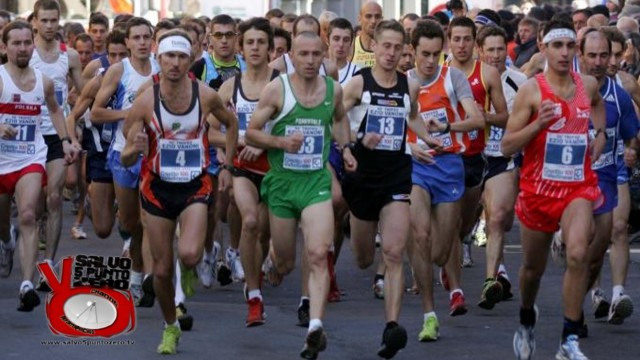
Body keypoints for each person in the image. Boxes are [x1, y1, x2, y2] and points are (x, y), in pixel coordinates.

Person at [121, 29, 238, 354]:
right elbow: (126, 153)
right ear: (159, 59)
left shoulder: (205, 95)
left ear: (191, 60)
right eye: (168, 57)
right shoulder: (147, 100)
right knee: (159, 270)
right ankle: (171, 325)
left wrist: (227, 166)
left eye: (181, 57)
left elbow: (231, 124)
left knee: (189, 253)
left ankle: (187, 275)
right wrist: (137, 146)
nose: (174, 63)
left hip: (194, 185)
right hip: (157, 189)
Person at [501, 19, 607, 360]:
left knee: (578, 253)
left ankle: (569, 339)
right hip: (538, 191)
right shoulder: (532, 91)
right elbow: (506, 146)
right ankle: (526, 317)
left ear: (575, 51)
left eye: (568, 47)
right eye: (556, 46)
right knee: (533, 269)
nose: (563, 53)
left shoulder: (587, 84)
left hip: (578, 187)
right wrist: (539, 124)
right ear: (544, 49)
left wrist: (600, 134)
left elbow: (598, 107)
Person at [246, 31, 355, 359]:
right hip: (281, 184)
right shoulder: (277, 89)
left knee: (319, 252)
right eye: (303, 54)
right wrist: (281, 143)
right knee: (287, 262)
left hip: (315, 183)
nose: (309, 61)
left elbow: (339, 120)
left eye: (315, 55)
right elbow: (251, 131)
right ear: (291, 56)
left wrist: (346, 148)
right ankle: (273, 260)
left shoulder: (334, 90)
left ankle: (315, 326)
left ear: (324, 57)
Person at [342, 19, 440, 359]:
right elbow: (332, 116)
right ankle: (351, 224)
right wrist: (355, 141)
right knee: (363, 258)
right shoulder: (358, 84)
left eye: (398, 48)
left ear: (405, 51)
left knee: (395, 252)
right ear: (376, 47)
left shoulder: (407, 85)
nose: (391, 53)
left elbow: (411, 116)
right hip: (361, 177)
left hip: (397, 174)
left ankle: (392, 327)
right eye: (386, 46)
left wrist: (427, 135)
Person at [405, 19, 485, 342]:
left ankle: (437, 270)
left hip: (450, 164)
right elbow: (391, 126)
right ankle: (429, 314)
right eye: (424, 53)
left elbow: (477, 119)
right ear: (412, 51)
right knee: (421, 236)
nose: (429, 61)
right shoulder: (402, 82)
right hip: (415, 167)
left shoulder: (453, 78)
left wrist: (448, 128)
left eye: (436, 54)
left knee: (439, 251)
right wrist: (411, 147)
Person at [0, 20, 77, 311]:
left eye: (26, 43)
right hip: (1, 160)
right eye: (16, 43)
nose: (22, 48)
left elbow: (56, 110)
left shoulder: (43, 81)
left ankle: (27, 284)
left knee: (30, 214)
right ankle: (6, 240)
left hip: (30, 157)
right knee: (3, 222)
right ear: (4, 47)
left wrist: (66, 139)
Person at [442, 16, 508, 316]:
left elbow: (504, 116)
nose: (461, 45)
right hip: (446, 157)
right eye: (456, 39)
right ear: (449, 41)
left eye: (467, 39)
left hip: (475, 157)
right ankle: (457, 291)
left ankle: (451, 259)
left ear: (475, 43)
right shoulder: (438, 71)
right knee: (452, 224)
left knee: (464, 226)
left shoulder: (488, 74)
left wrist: (482, 117)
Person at [91, 17, 158, 306]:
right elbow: (95, 113)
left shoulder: (163, 68)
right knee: (131, 221)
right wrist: (131, 114)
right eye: (137, 38)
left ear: (152, 40)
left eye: (147, 37)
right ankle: (139, 267)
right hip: (122, 152)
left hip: (155, 155)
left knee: (150, 217)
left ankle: (143, 276)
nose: (142, 42)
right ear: (127, 42)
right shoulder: (119, 71)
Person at [215, 17, 278, 327]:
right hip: (242, 168)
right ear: (242, 47)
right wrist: (236, 141)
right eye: (250, 42)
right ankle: (254, 297)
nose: (255, 48)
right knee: (250, 222)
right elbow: (212, 130)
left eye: (261, 42)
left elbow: (296, 129)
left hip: (277, 170)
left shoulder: (282, 84)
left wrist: (264, 144)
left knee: (266, 235)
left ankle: (259, 272)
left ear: (271, 48)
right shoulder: (230, 87)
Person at [579, 29, 638, 328]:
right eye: (593, 56)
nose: (600, 62)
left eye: (605, 55)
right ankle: (595, 291)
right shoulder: (569, 91)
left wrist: (631, 151)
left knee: (617, 228)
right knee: (589, 239)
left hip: (612, 171)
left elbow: (632, 137)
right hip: (577, 177)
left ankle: (617, 295)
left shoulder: (620, 95)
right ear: (581, 56)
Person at [29, 0, 84, 291]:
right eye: (45, 21)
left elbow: (84, 92)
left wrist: (72, 122)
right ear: (35, 22)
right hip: (28, 136)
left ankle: (48, 265)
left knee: (54, 199)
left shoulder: (69, 56)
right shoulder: (25, 53)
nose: (50, 26)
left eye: (54, 20)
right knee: (33, 207)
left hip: (56, 136)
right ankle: (15, 240)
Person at [476, 25, 528, 310]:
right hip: (470, 159)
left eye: (500, 49)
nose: (496, 56)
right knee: (457, 228)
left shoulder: (520, 81)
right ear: (480, 51)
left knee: (499, 218)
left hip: (503, 158)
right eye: (490, 50)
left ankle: (490, 281)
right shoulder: (465, 80)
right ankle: (493, 271)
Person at [350, 1, 383, 68]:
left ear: (382, 19)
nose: (373, 21)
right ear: (359, 19)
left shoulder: (389, 46)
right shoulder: (351, 46)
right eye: (368, 16)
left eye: (377, 16)